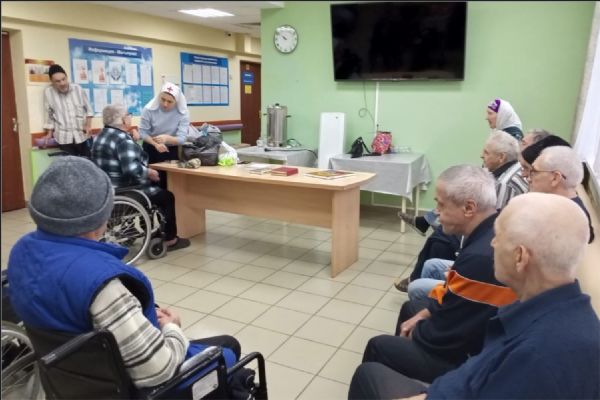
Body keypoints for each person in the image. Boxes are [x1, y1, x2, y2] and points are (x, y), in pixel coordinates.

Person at [7, 156, 239, 391]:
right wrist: (173, 328)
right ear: (101, 217)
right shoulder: (101, 284)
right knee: (229, 348)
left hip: (68, 377)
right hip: (136, 388)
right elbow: (158, 371)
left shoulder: (21, 251)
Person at [349, 193, 600, 400]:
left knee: (368, 374)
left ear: (520, 257)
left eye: (498, 238)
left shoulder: (540, 354)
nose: (492, 245)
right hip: (464, 378)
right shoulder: (558, 309)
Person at [361, 165, 517, 384]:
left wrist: (418, 332)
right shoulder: (491, 229)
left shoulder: (479, 259)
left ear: (469, 208)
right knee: (411, 309)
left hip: (475, 362)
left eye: (441, 205)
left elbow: (446, 337)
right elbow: (454, 305)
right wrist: (424, 315)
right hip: (478, 338)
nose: (436, 213)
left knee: (379, 346)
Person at [399, 131, 528, 294]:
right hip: (490, 236)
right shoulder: (509, 171)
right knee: (440, 233)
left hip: (493, 243)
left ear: (501, 157)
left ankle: (432, 286)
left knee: (440, 239)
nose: (481, 155)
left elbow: (493, 221)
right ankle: (424, 280)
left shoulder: (504, 184)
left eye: (486, 152)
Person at [399, 97, 524, 236]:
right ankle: (431, 222)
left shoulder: (512, 136)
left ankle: (436, 225)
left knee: (458, 193)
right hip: (489, 181)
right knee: (455, 188)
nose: (486, 117)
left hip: (489, 196)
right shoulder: (504, 131)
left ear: (502, 115)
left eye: (490, 113)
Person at [91, 104, 190, 251]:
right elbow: (131, 169)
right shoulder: (123, 140)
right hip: (127, 190)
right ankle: (170, 239)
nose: (130, 117)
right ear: (123, 120)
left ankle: (143, 229)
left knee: (157, 193)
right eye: (128, 114)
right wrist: (149, 172)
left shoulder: (100, 136)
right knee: (167, 197)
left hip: (107, 189)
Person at [529, 145, 594, 243]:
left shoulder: (565, 220)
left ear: (555, 178)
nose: (528, 178)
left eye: (534, 172)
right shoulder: (565, 208)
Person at [139, 82, 190, 189]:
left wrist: (167, 139)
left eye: (170, 101)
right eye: (163, 99)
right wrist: (156, 144)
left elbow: (182, 138)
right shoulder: (149, 109)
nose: (165, 104)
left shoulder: (183, 112)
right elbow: (143, 133)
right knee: (152, 182)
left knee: (170, 183)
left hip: (170, 150)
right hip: (151, 148)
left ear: (176, 101)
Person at [42, 64, 94, 157]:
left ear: (66, 77)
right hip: (63, 138)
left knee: (87, 163)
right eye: (57, 81)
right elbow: (49, 114)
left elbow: (89, 109)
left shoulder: (78, 89)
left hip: (82, 135)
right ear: (52, 82)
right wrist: (49, 133)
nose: (62, 83)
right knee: (69, 165)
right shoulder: (48, 92)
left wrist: (88, 125)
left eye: (64, 79)